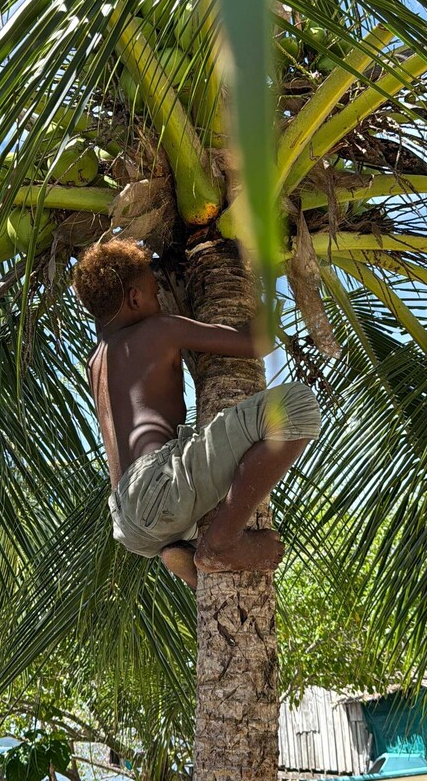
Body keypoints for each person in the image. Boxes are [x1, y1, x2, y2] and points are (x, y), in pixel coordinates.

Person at [73, 238, 321, 590]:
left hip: (127, 521)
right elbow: (254, 342)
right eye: (156, 293)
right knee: (298, 404)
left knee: (184, 503)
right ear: (135, 298)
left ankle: (182, 548)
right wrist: (268, 301)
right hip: (157, 488)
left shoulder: (95, 363)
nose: (160, 301)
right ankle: (222, 543)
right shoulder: (158, 330)